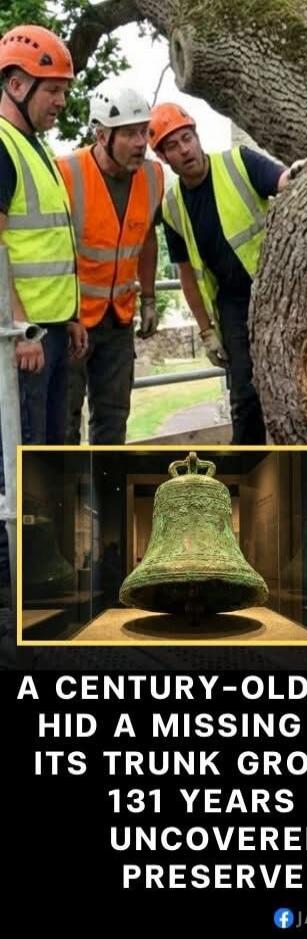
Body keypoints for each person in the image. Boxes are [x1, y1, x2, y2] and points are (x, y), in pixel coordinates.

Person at [148, 102, 304, 444]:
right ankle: (247, 478)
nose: (184, 149)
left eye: (186, 138)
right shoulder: (172, 206)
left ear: (197, 136)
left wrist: (295, 174)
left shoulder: (239, 162)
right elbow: (186, 274)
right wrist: (206, 331)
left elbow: (281, 180)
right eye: (172, 146)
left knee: (298, 384)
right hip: (232, 304)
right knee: (245, 397)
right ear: (163, 158)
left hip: (278, 292)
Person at [0, 24, 86, 602]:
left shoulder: (38, 150)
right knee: (24, 456)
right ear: (15, 82)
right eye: (51, 89)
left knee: (52, 450)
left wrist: (71, 316)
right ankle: (24, 584)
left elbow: (53, 246)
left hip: (54, 332)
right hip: (24, 340)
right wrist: (23, 329)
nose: (60, 101)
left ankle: (48, 566)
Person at [58, 77, 163, 444]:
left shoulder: (153, 175)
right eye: (130, 134)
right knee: (65, 420)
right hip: (72, 321)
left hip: (118, 319)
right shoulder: (66, 174)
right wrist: (65, 315)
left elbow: (148, 236)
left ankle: (108, 495)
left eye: (144, 132)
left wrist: (148, 298)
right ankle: (64, 498)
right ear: (102, 136)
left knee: (113, 418)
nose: (141, 143)